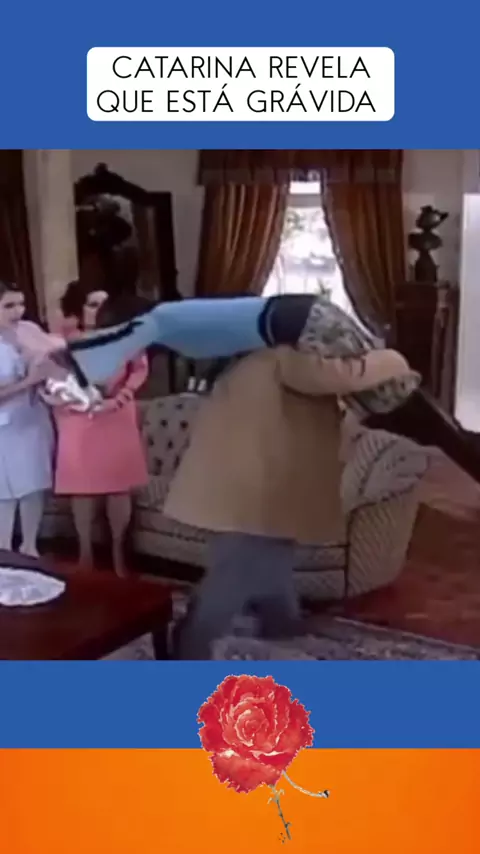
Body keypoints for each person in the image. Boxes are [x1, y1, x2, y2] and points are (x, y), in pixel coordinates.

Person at [162, 343, 417, 659]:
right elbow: (345, 374)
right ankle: (190, 650)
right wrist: (391, 358)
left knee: (272, 573)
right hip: (253, 494)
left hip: (252, 491)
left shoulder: (251, 356)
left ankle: (282, 633)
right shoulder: (283, 357)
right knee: (231, 581)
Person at [48, 282, 149, 575]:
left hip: (117, 414)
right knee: (82, 488)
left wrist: (120, 398)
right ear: (77, 308)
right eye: (92, 304)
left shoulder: (125, 334)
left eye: (104, 305)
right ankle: (85, 555)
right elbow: (52, 377)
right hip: (78, 417)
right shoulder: (61, 340)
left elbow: (139, 369)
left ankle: (118, 555)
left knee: (119, 487)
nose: (100, 310)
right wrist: (70, 398)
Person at [0, 281, 55, 556]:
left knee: (34, 485)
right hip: (5, 428)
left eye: (21, 304)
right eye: (8, 305)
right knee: (5, 493)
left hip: (33, 419)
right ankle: (4, 553)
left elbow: (53, 364)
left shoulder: (29, 331)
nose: (17, 311)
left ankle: (30, 548)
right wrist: (28, 381)